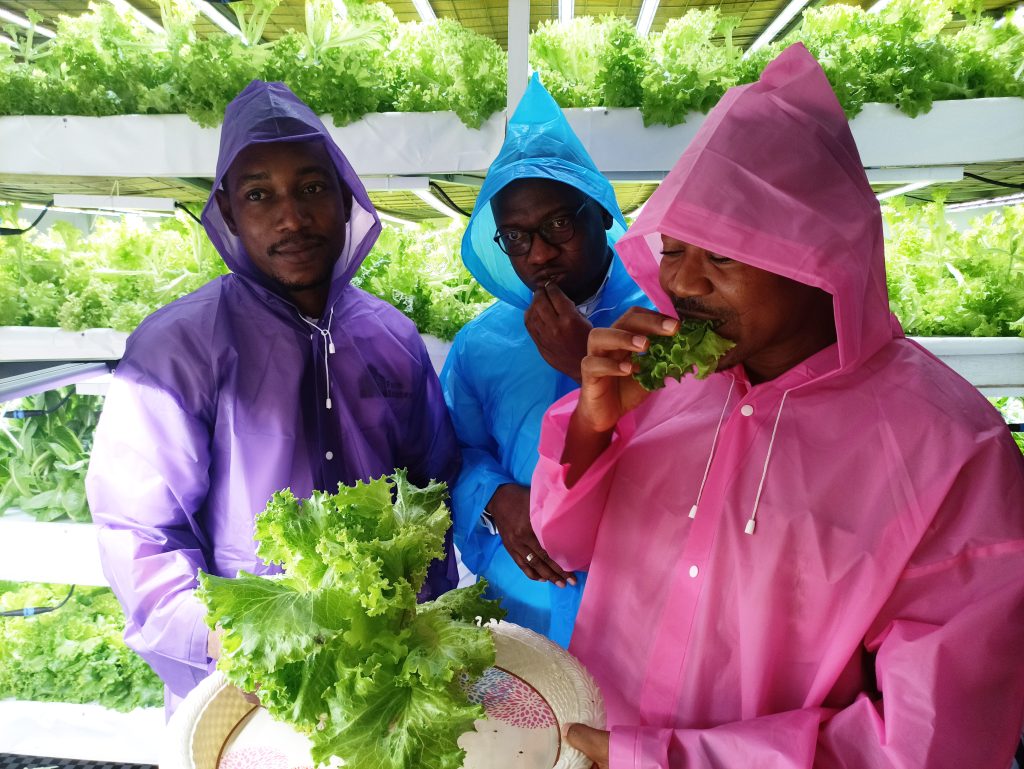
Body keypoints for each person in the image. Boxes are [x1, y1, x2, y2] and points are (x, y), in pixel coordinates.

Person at [531, 44, 1024, 768]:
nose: (684, 281)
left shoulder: (952, 450)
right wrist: (592, 425)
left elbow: (931, 741)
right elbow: (564, 543)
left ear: (819, 258)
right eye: (674, 246)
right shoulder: (661, 379)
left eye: (724, 254)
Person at [85, 80, 459, 714]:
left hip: (388, 672)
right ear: (228, 212)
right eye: (260, 195)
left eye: (312, 188)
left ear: (346, 199)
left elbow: (434, 490)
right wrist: (237, 640)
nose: (292, 217)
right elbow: (138, 533)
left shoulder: (391, 335)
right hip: (247, 682)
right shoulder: (178, 348)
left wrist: (411, 616)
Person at [439, 74, 649, 647]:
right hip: (520, 602)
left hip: (640, 606)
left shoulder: (664, 317)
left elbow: (697, 446)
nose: (540, 253)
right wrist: (494, 498)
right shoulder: (482, 343)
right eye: (515, 236)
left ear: (601, 213)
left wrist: (586, 359)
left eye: (558, 223)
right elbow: (455, 448)